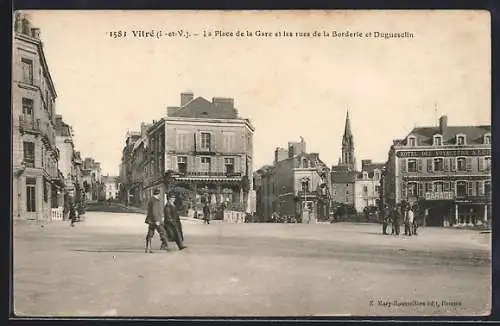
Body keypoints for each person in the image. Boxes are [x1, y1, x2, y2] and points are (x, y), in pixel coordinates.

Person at [144, 188, 169, 253]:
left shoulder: (151, 200)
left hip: (151, 220)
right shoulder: (155, 201)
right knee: (163, 232)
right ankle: (165, 246)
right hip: (156, 220)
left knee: (150, 233)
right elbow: (154, 211)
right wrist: (157, 220)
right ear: (158, 194)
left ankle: (148, 248)